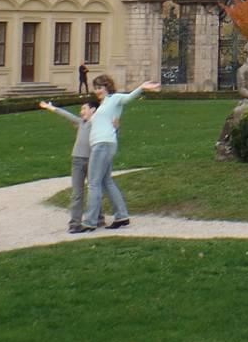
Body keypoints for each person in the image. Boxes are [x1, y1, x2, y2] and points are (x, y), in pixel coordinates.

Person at [80, 75, 161, 232]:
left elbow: (129, 98)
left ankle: (90, 222)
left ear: (107, 87)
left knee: (94, 184)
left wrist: (142, 87)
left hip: (102, 145)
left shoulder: (114, 98)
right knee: (106, 182)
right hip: (104, 144)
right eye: (95, 88)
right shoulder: (103, 104)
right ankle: (121, 216)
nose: (97, 91)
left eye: (100, 87)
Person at [39, 96, 101, 233]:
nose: (81, 112)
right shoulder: (81, 122)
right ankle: (75, 224)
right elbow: (67, 115)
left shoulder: (98, 123)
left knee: (93, 190)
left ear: (93, 110)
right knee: (77, 193)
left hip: (92, 161)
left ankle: (98, 217)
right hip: (77, 161)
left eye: (84, 108)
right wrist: (51, 108)